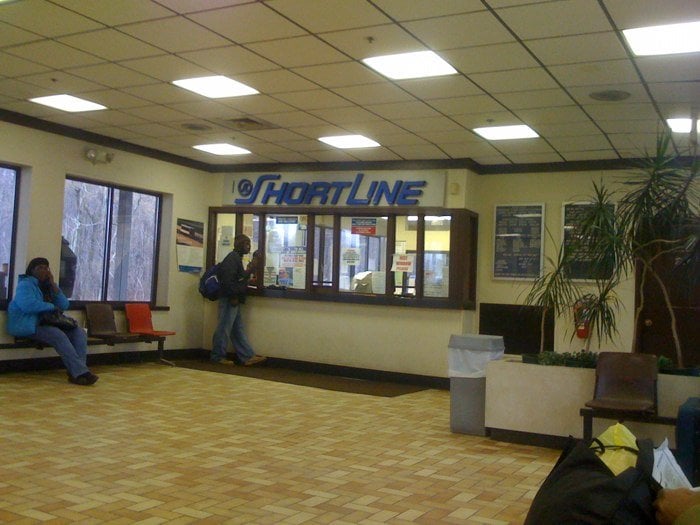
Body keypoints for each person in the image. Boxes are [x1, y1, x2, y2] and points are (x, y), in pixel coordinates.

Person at [7, 257, 98, 386]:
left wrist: (54, 286)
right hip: (28, 324)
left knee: (79, 332)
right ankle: (80, 372)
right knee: (57, 335)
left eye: (46, 268)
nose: (43, 271)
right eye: (40, 268)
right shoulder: (25, 285)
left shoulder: (49, 286)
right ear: (32, 270)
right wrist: (51, 306)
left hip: (48, 323)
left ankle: (77, 372)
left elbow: (64, 305)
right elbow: (27, 305)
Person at [211, 235, 267, 366]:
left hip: (233, 298)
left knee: (237, 329)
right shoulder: (232, 259)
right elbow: (228, 281)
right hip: (230, 298)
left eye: (249, 244)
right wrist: (233, 296)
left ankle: (247, 356)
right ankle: (217, 356)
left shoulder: (236, 258)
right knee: (224, 328)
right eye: (246, 244)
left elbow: (239, 278)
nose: (249, 247)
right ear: (239, 245)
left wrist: (250, 269)